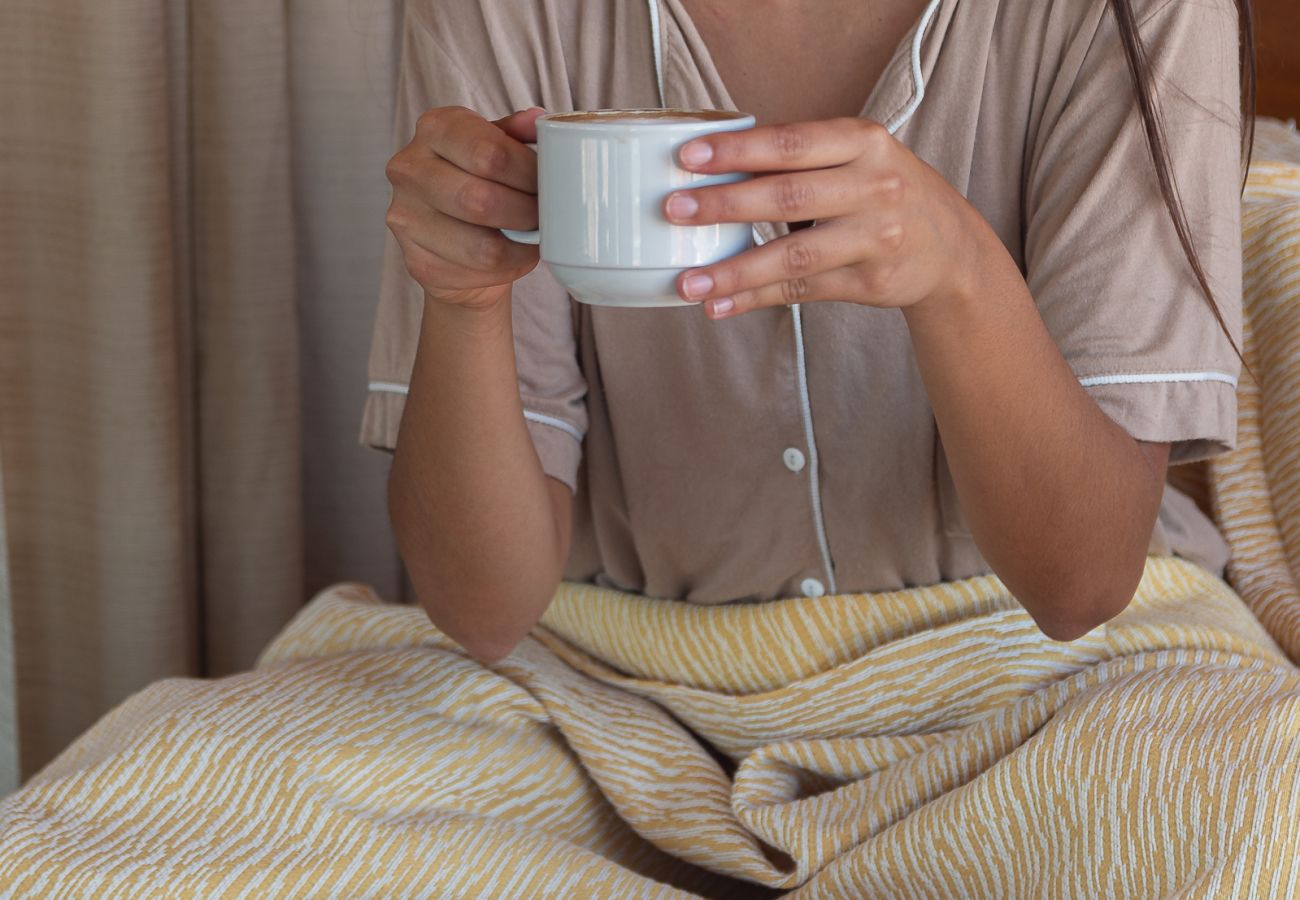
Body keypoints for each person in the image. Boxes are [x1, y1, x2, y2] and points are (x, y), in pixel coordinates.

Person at [367, 0, 1248, 661]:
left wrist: (961, 276)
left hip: (1038, 676)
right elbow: (482, 611)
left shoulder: (1140, 13)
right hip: (621, 682)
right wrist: (463, 303)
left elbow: (1079, 587)